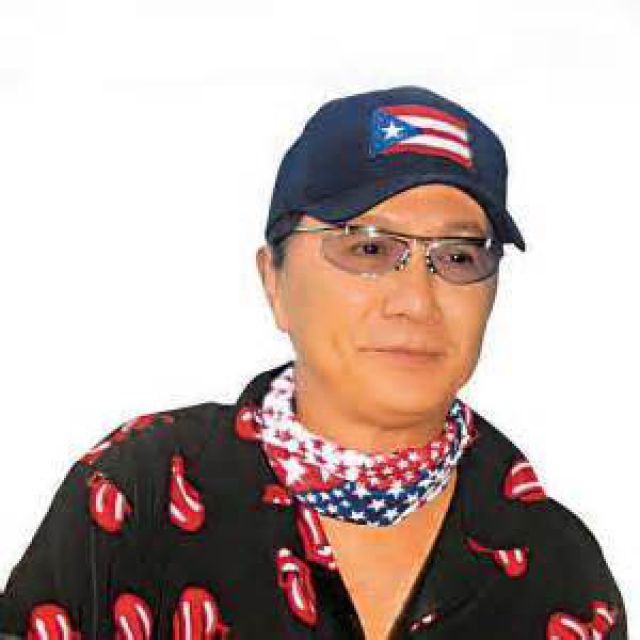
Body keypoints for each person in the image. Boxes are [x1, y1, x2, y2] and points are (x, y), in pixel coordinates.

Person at [0, 85, 627, 639]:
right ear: (273, 281)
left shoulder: (558, 570)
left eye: (459, 257)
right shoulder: (143, 494)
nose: (415, 300)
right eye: (369, 249)